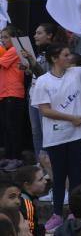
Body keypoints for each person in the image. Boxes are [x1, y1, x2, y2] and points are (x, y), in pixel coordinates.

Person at [30, 44, 81, 232]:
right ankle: (56, 214)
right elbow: (45, 110)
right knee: (58, 176)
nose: (70, 57)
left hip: (78, 135)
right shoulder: (43, 81)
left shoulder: (78, 73)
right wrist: (71, 118)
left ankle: (74, 213)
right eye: (65, 55)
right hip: (56, 136)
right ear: (54, 59)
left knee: (75, 175)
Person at [18, 23, 66, 181]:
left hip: (46, 99)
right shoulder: (40, 52)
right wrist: (28, 68)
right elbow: (37, 73)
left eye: (39, 33)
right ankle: (41, 163)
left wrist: (32, 62)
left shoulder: (54, 53)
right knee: (36, 132)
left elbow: (47, 76)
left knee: (46, 131)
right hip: (34, 96)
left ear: (49, 35)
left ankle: (48, 164)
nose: (35, 36)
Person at [0, 28, 26, 171]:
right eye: (2, 37)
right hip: (5, 94)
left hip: (14, 94)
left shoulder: (14, 50)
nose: (3, 40)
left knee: (13, 128)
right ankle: (9, 157)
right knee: (7, 128)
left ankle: (16, 158)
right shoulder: (8, 50)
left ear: (14, 38)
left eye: (5, 37)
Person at [15, 166, 46, 236]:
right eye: (40, 179)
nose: (45, 181)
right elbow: (30, 232)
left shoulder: (20, 197)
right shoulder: (26, 204)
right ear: (26, 185)